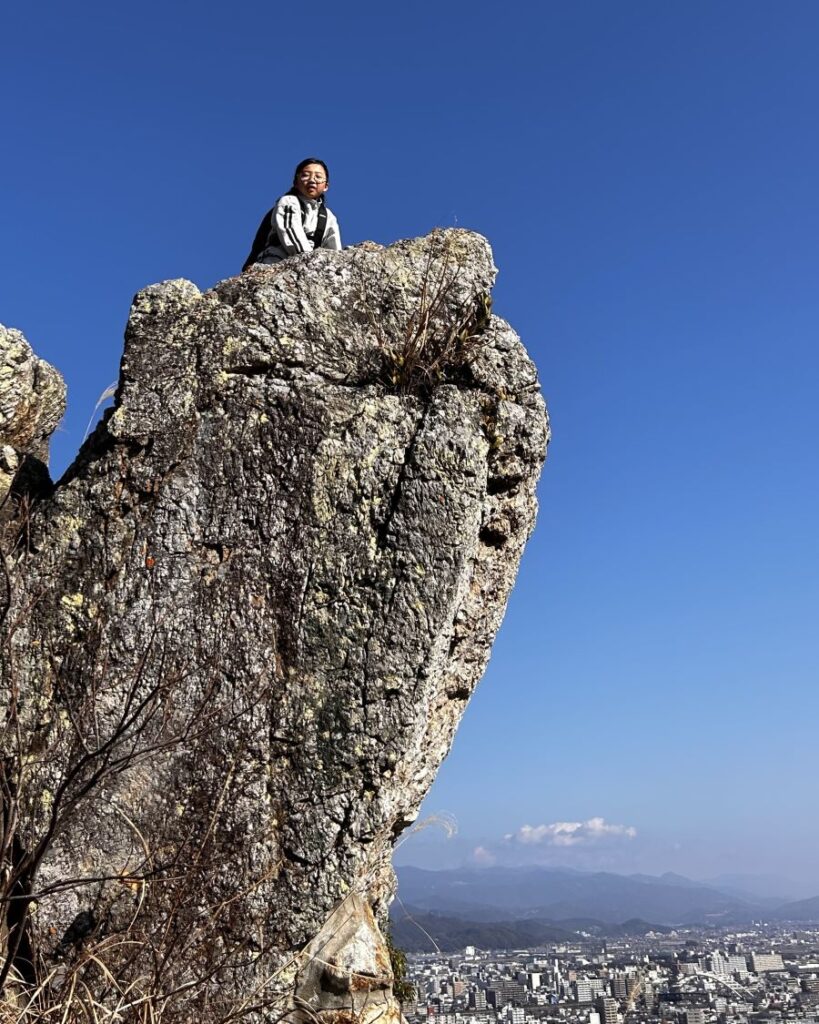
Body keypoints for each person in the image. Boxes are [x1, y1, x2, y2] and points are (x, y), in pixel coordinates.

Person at [242, 158, 342, 270]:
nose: (312, 180)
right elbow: (291, 233)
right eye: (305, 175)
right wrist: (311, 264)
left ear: (326, 186)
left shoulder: (329, 217)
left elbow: (334, 252)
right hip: (275, 264)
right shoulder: (288, 202)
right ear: (295, 182)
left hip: (310, 267)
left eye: (318, 177)